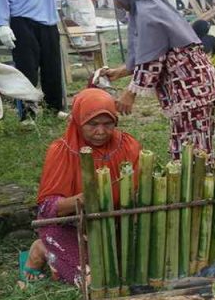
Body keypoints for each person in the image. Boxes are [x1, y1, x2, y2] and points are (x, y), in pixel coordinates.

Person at [20, 89, 142, 287]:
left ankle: (70, 252)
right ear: (77, 121)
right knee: (93, 280)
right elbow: (47, 209)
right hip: (68, 225)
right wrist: (83, 199)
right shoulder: (61, 151)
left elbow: (139, 187)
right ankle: (41, 249)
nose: (101, 131)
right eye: (92, 124)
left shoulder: (127, 145)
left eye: (108, 123)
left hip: (113, 225)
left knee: (125, 270)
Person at [100, 0, 215, 159]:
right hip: (197, 85)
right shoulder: (150, 4)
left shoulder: (147, 14)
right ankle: (201, 180)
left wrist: (129, 95)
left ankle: (196, 185)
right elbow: (151, 51)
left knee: (189, 148)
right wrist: (122, 71)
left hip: (191, 90)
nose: (115, 1)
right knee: (197, 143)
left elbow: (152, 62)